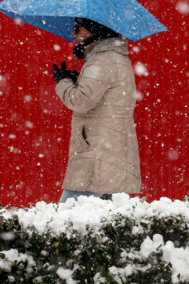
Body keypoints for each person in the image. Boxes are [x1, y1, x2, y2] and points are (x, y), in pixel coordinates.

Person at [52, 18, 141, 202]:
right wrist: (78, 79)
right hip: (106, 154)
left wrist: (63, 82)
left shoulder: (103, 60)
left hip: (94, 157)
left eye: (78, 28)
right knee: (98, 222)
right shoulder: (113, 57)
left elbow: (80, 100)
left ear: (94, 29)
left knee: (67, 220)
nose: (74, 34)